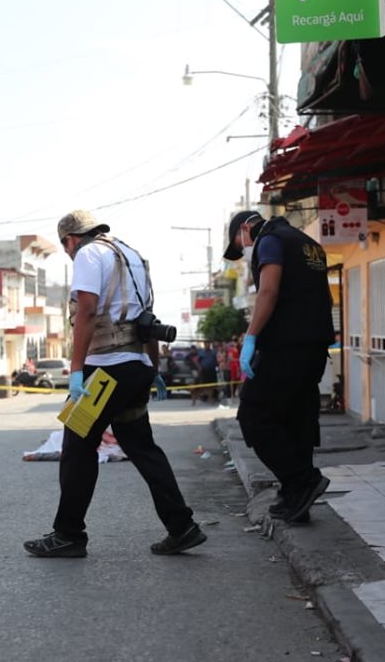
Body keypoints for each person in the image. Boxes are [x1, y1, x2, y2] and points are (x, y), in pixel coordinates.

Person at [24, 210, 204, 558]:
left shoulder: (89, 254)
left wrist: (77, 370)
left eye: (65, 247)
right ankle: (182, 527)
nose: (68, 253)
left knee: (77, 447)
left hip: (105, 371)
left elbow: (88, 310)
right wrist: (153, 367)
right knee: (142, 447)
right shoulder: (131, 256)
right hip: (134, 366)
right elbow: (146, 319)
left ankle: (68, 535)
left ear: (71, 240)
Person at [224, 209, 335, 524]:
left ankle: (302, 480)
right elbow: (323, 296)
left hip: (286, 345)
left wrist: (251, 337)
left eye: (239, 244)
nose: (244, 252)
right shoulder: (309, 243)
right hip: (314, 346)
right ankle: (295, 497)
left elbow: (269, 290)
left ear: (246, 228)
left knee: (254, 417)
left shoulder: (270, 240)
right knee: (296, 419)